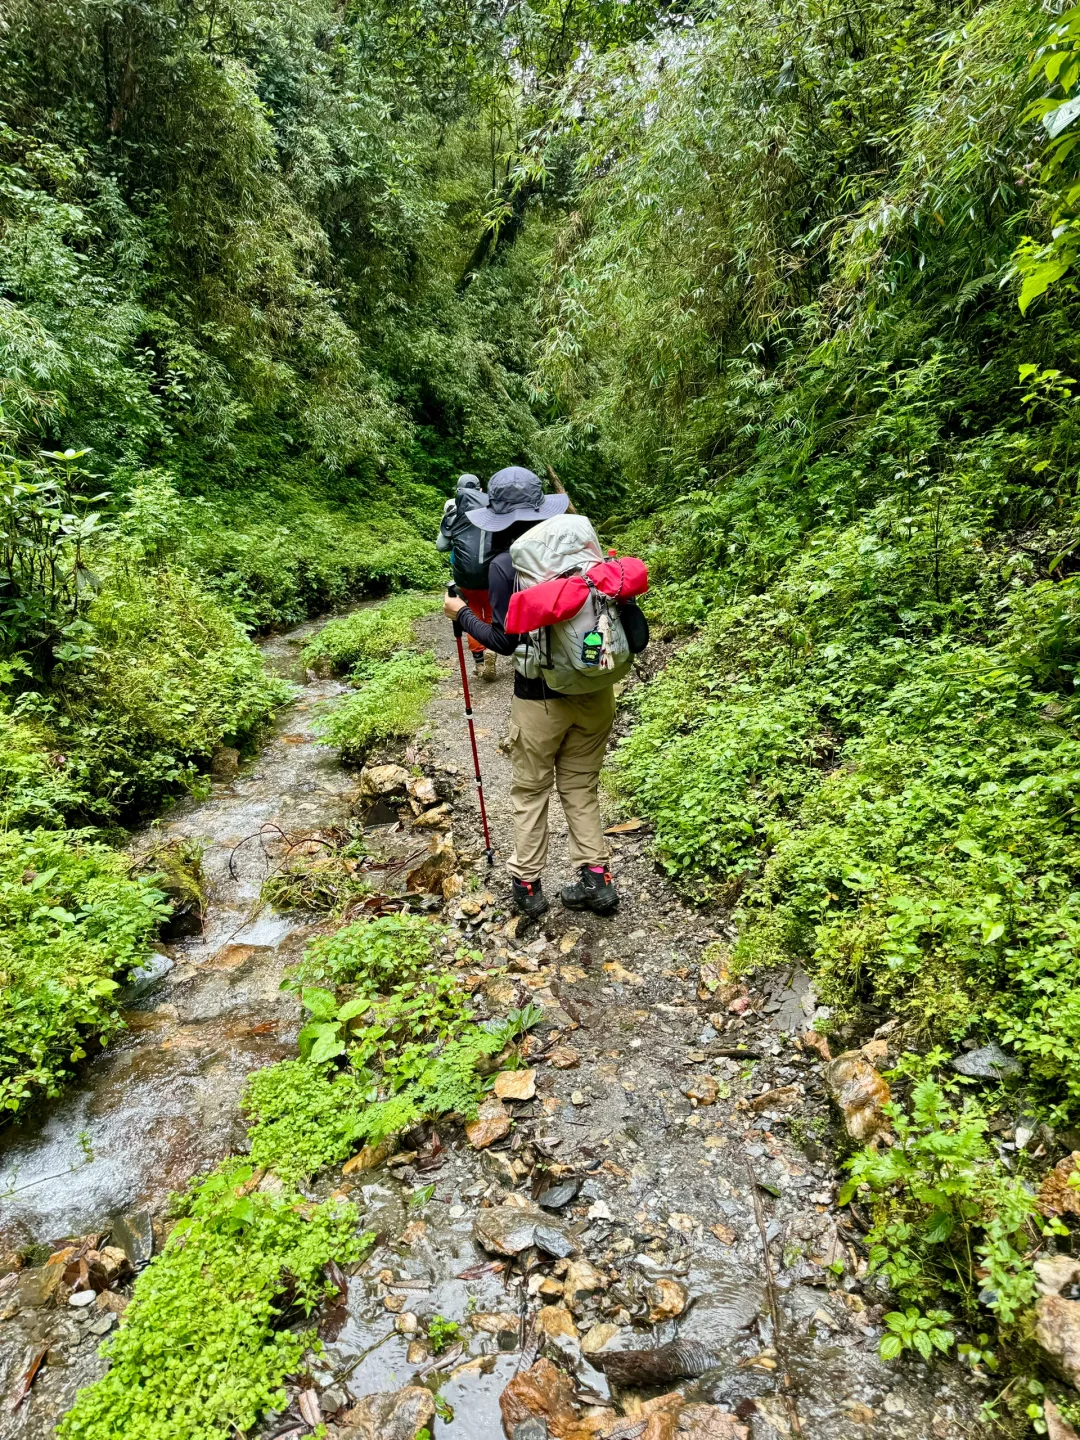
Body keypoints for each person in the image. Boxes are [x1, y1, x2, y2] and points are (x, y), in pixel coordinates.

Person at [442, 465, 621, 919]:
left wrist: (461, 613)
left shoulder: (506, 565)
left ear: (498, 518)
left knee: (531, 791)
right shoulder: (583, 552)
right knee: (581, 786)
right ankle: (596, 882)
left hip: (540, 699)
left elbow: (505, 640)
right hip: (596, 689)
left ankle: (528, 886)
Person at [436, 473, 497, 681]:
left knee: (471, 616)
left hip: (464, 578)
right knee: (490, 614)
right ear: (481, 490)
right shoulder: (493, 508)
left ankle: (480, 663)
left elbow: (441, 546)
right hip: (491, 575)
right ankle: (492, 648)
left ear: (458, 490)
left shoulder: (454, 509)